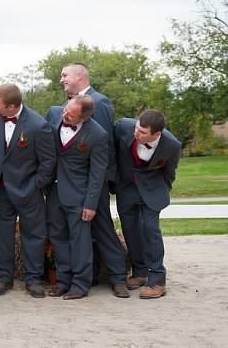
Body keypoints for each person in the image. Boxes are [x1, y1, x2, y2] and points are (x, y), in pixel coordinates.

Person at [60, 63, 128, 297]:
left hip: (92, 183)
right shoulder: (68, 105)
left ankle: (119, 276)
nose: (62, 80)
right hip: (73, 183)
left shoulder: (99, 102)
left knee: (103, 229)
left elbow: (104, 146)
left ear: (79, 76)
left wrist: (102, 184)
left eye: (65, 75)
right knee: (87, 232)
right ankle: (95, 274)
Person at [0, 83, 56, 298]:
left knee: (33, 234)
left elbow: (48, 162)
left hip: (28, 190)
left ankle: (33, 278)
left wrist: (35, 185)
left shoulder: (38, 125)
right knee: (2, 234)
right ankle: (4, 277)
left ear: (12, 106)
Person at [45, 95, 109, 300]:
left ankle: (81, 285)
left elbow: (97, 174)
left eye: (71, 116)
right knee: (58, 238)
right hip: (54, 192)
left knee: (80, 242)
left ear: (85, 117)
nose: (64, 115)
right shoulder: (55, 113)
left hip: (79, 196)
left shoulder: (97, 135)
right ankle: (63, 281)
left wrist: (90, 204)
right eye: (65, 110)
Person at [114, 109, 181, 299]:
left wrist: (161, 192)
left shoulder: (171, 145)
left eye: (143, 133)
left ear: (157, 134)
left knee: (150, 230)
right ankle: (140, 272)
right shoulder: (123, 127)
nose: (137, 134)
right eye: (137, 129)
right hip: (126, 188)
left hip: (152, 190)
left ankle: (157, 280)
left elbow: (170, 173)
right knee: (130, 230)